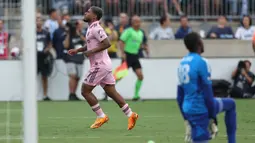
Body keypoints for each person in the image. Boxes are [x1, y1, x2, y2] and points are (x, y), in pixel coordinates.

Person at [67, 6, 138, 130]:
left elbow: (107, 43)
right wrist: (77, 50)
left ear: (94, 16)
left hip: (99, 65)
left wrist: (91, 52)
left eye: (88, 12)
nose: (85, 13)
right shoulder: (91, 28)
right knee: (111, 92)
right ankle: (131, 114)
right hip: (104, 65)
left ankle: (101, 116)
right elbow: (90, 45)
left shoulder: (97, 28)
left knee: (85, 91)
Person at [177, 32, 236, 143]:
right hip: (200, 108)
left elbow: (179, 96)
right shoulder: (202, 62)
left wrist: (186, 119)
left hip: (187, 109)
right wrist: (212, 117)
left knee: (231, 104)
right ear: (199, 43)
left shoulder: (182, 62)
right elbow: (207, 93)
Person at [119, 15, 148, 101]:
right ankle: (107, 92)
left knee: (140, 76)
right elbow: (121, 41)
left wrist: (143, 47)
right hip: (127, 55)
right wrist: (123, 53)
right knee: (119, 76)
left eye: (139, 21)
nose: (138, 23)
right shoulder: (128, 31)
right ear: (132, 23)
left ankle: (136, 96)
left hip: (135, 56)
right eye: (136, 21)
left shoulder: (141, 33)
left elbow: (138, 44)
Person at [63, 20, 86, 101]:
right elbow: (66, 45)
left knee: (78, 77)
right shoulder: (69, 34)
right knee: (73, 75)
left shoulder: (83, 33)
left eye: (79, 25)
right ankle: (71, 94)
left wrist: (79, 33)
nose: (78, 26)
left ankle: (74, 94)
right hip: (71, 58)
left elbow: (87, 42)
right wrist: (69, 33)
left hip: (80, 58)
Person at [36, 16, 53, 101]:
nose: (38, 22)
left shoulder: (46, 32)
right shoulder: (32, 33)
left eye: (40, 21)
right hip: (34, 57)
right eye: (37, 21)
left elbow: (50, 43)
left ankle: (45, 95)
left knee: (44, 76)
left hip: (44, 56)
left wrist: (47, 49)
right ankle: (32, 95)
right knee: (32, 77)